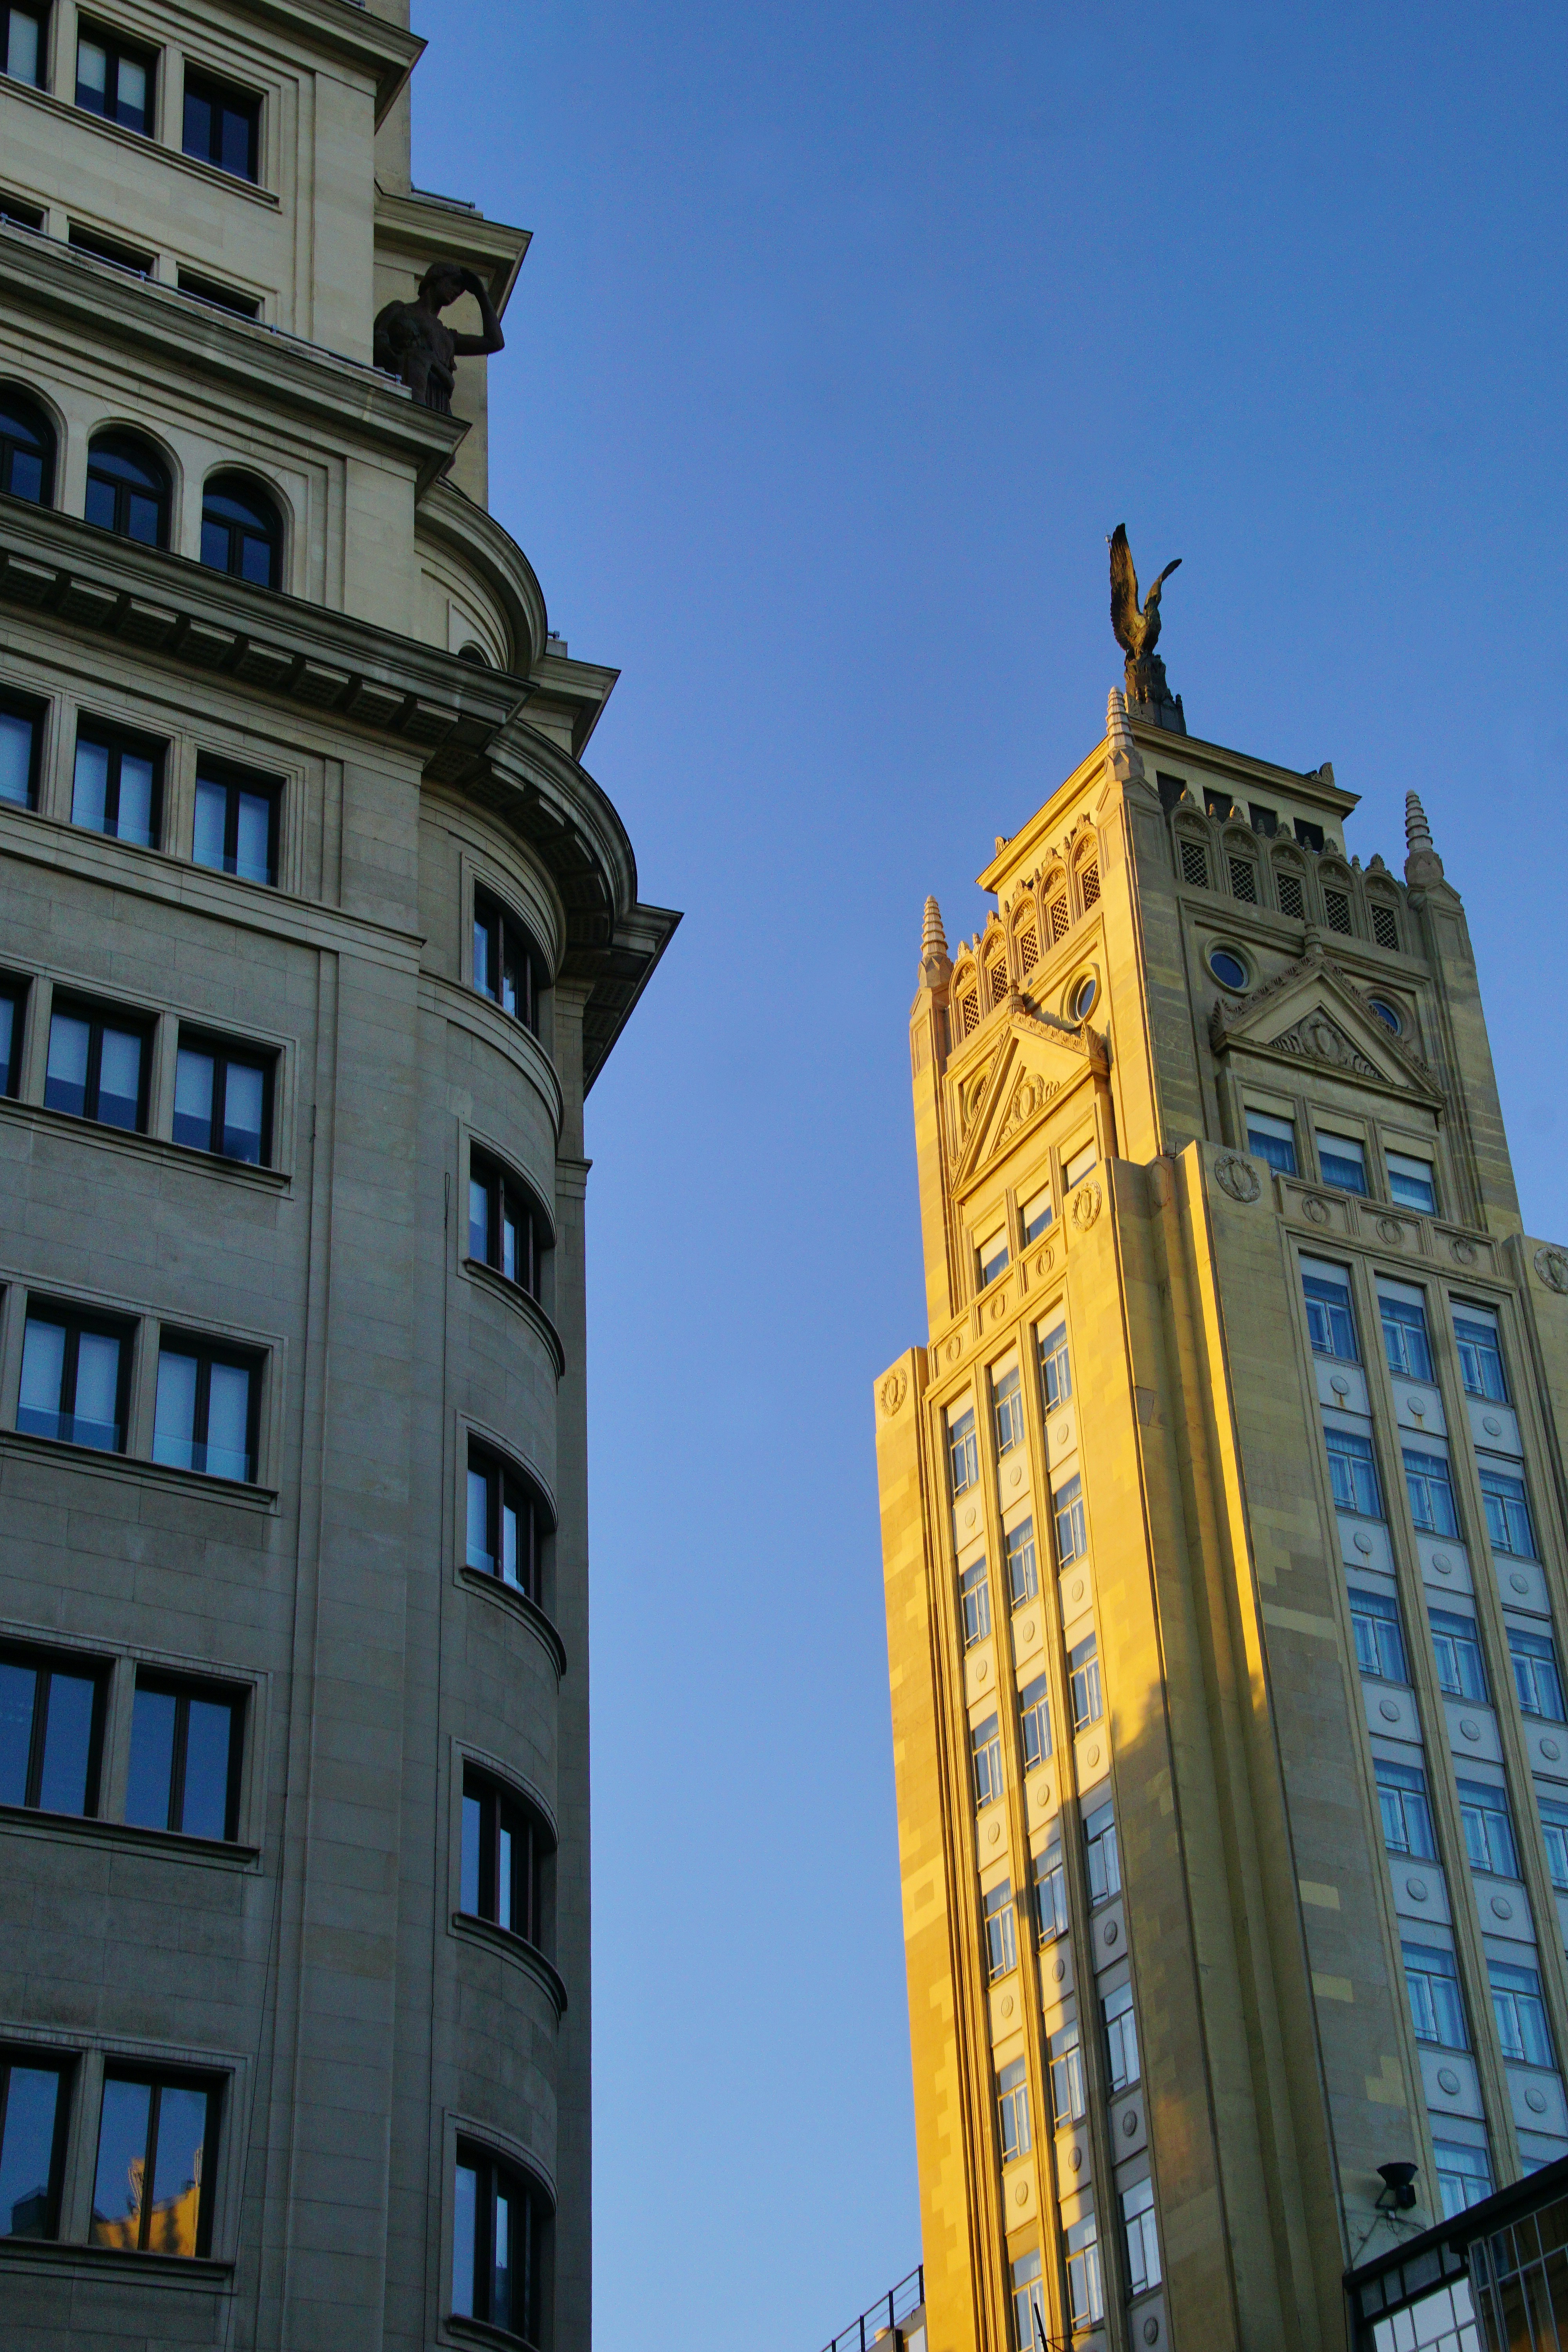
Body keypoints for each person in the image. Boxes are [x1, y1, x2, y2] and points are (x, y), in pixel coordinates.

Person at [372, 262, 505, 414]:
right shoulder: (400, 311)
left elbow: (495, 342)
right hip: (407, 389)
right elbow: (377, 345)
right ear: (436, 279)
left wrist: (481, 294)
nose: (457, 292)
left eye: (462, 291)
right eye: (455, 284)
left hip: (438, 400)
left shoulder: (448, 336)